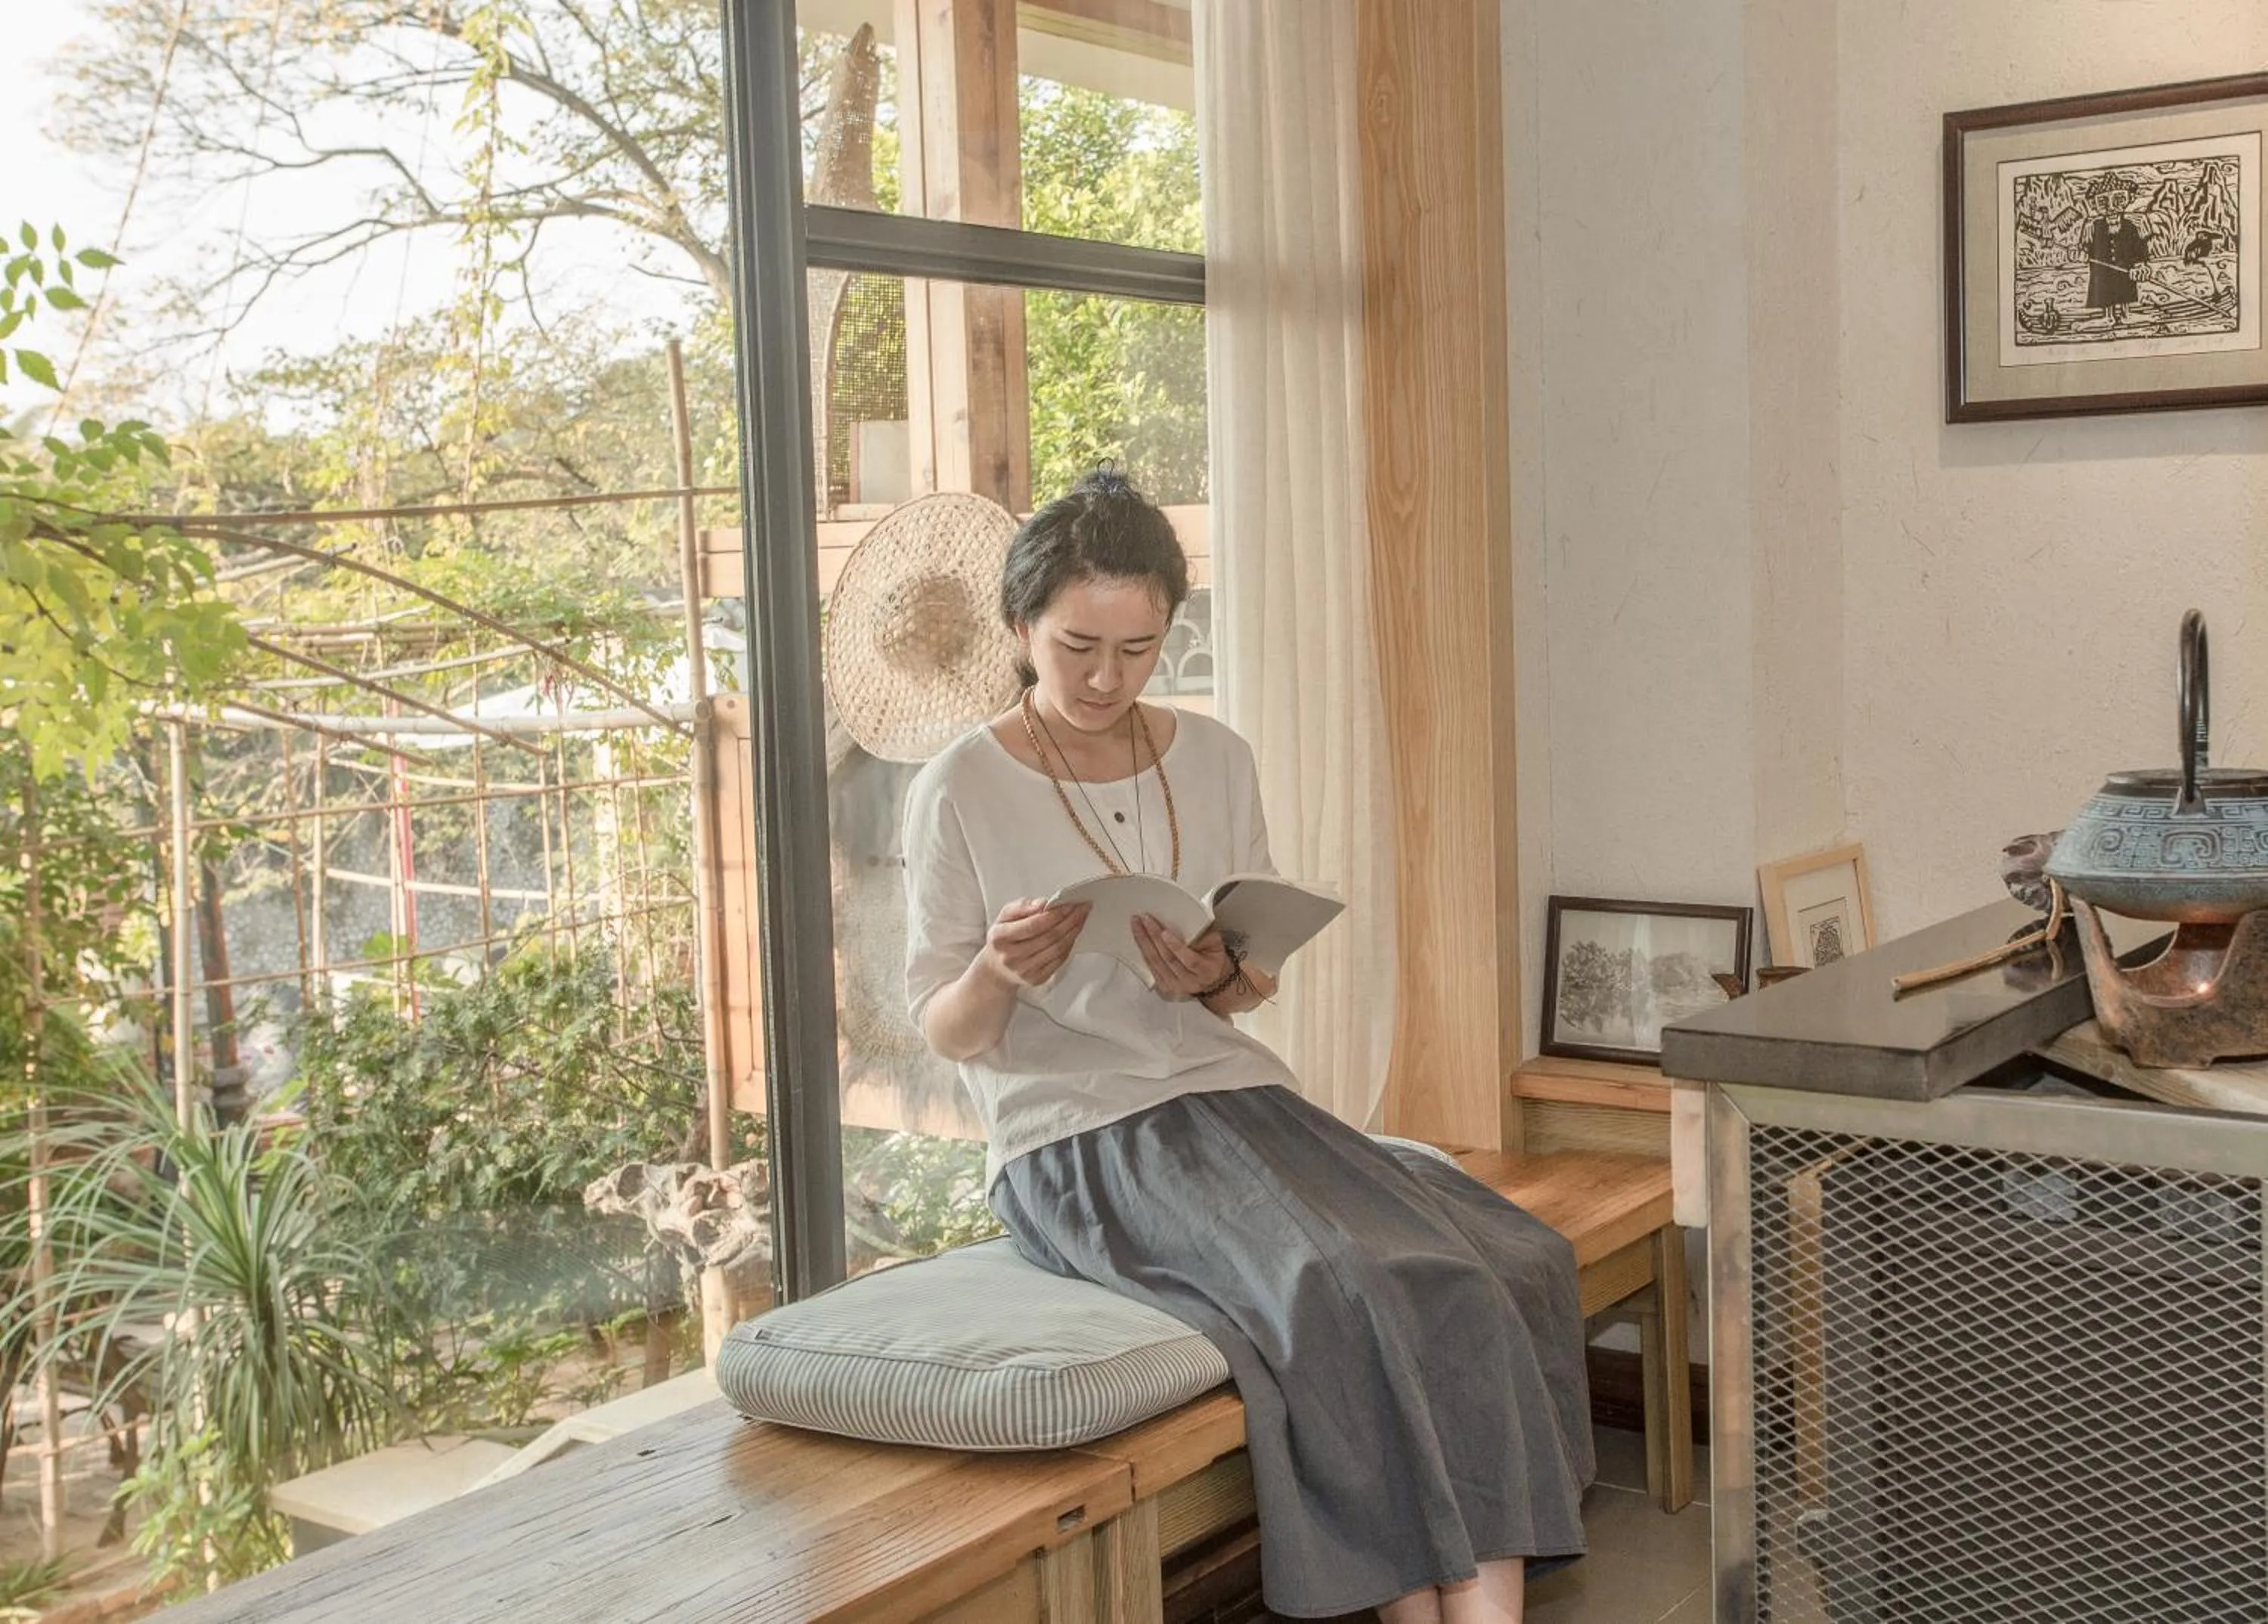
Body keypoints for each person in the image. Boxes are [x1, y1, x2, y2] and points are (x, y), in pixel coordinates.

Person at [900, 468, 1593, 1622]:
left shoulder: (1214, 755)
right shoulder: (960, 785)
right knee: (1336, 1281)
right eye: (1077, 646)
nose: (1106, 678)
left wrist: (1217, 974)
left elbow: (1243, 987)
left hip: (1236, 1101)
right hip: (1082, 1139)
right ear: (1022, 626)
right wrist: (996, 971)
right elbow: (943, 1027)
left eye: (1139, 648)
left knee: (1506, 1261)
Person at [2071, 175, 2152, 328]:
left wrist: (2141, 266)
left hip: (2126, 270)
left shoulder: (2132, 226)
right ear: (2094, 204)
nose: (2111, 207)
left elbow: (2140, 250)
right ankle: (2107, 316)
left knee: (2125, 285)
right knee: (2104, 286)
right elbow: (2085, 249)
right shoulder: (2093, 227)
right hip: (2102, 271)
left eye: (2119, 200)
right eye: (2103, 202)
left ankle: (2126, 313)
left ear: (2130, 198)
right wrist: (2081, 254)